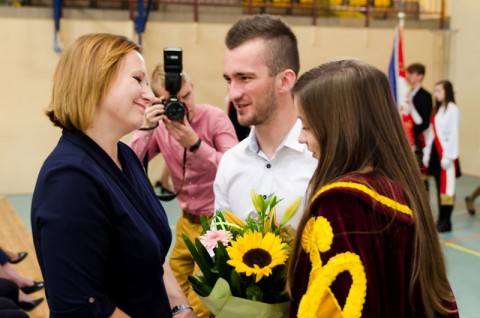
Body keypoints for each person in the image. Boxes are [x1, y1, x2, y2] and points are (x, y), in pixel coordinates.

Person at [31, 33, 196, 318]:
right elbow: (82, 307)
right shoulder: (69, 180)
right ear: (95, 81)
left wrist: (181, 308)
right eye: (137, 80)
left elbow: (152, 257)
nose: (150, 94)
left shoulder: (126, 158)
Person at [286, 59, 458, 317]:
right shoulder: (401, 187)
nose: (301, 138)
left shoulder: (343, 204)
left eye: (307, 126)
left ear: (340, 130)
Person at [129, 64, 238, 317]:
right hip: (185, 225)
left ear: (193, 88)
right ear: (159, 101)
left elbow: (235, 169)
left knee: (199, 304)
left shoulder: (214, 119)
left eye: (187, 95)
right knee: (165, 292)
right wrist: (146, 127)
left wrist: (196, 144)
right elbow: (131, 163)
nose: (184, 105)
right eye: (173, 101)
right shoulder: (160, 126)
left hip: (217, 225)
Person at [214, 14, 317, 227]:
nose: (233, 94)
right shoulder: (230, 163)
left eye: (245, 78)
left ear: (285, 80)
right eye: (229, 80)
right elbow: (219, 250)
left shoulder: (322, 159)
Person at [423, 80, 460, 232]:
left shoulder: (452, 109)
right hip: (436, 154)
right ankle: (441, 219)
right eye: (435, 90)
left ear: (447, 91)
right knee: (439, 188)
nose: (436, 93)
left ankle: (447, 220)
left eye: (438, 90)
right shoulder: (438, 110)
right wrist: (426, 153)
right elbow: (432, 134)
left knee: (448, 188)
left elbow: (453, 134)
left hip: (447, 155)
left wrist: (449, 156)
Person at [406, 63, 433, 190]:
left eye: (412, 73)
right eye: (409, 73)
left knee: (421, 175)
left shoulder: (425, 96)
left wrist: (410, 131)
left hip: (419, 139)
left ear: (420, 76)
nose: (409, 76)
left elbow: (425, 122)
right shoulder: (407, 94)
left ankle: (424, 204)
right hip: (408, 139)